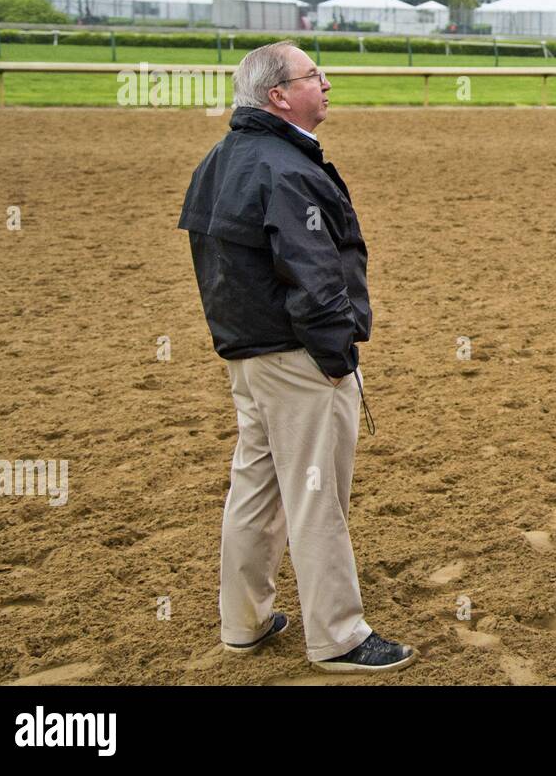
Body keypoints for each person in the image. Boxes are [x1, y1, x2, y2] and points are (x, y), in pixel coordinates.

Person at [178, 40, 417, 673]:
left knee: (255, 489)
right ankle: (338, 637)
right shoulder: (285, 168)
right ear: (279, 95)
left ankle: (245, 621)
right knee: (317, 498)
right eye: (315, 75)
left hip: (246, 354)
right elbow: (314, 276)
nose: (327, 83)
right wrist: (337, 352)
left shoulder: (220, 158)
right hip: (297, 357)